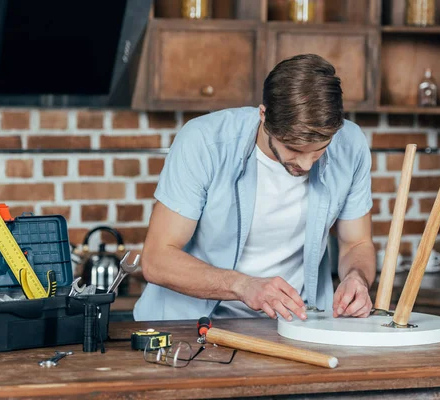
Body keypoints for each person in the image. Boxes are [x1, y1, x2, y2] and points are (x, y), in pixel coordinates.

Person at [134, 54, 375, 322]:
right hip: (189, 327)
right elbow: (157, 259)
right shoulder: (204, 142)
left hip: (295, 327)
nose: (306, 164)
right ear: (263, 116)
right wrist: (244, 286)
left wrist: (357, 278)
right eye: (293, 149)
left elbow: (357, 243)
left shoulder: (351, 145)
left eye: (319, 150)